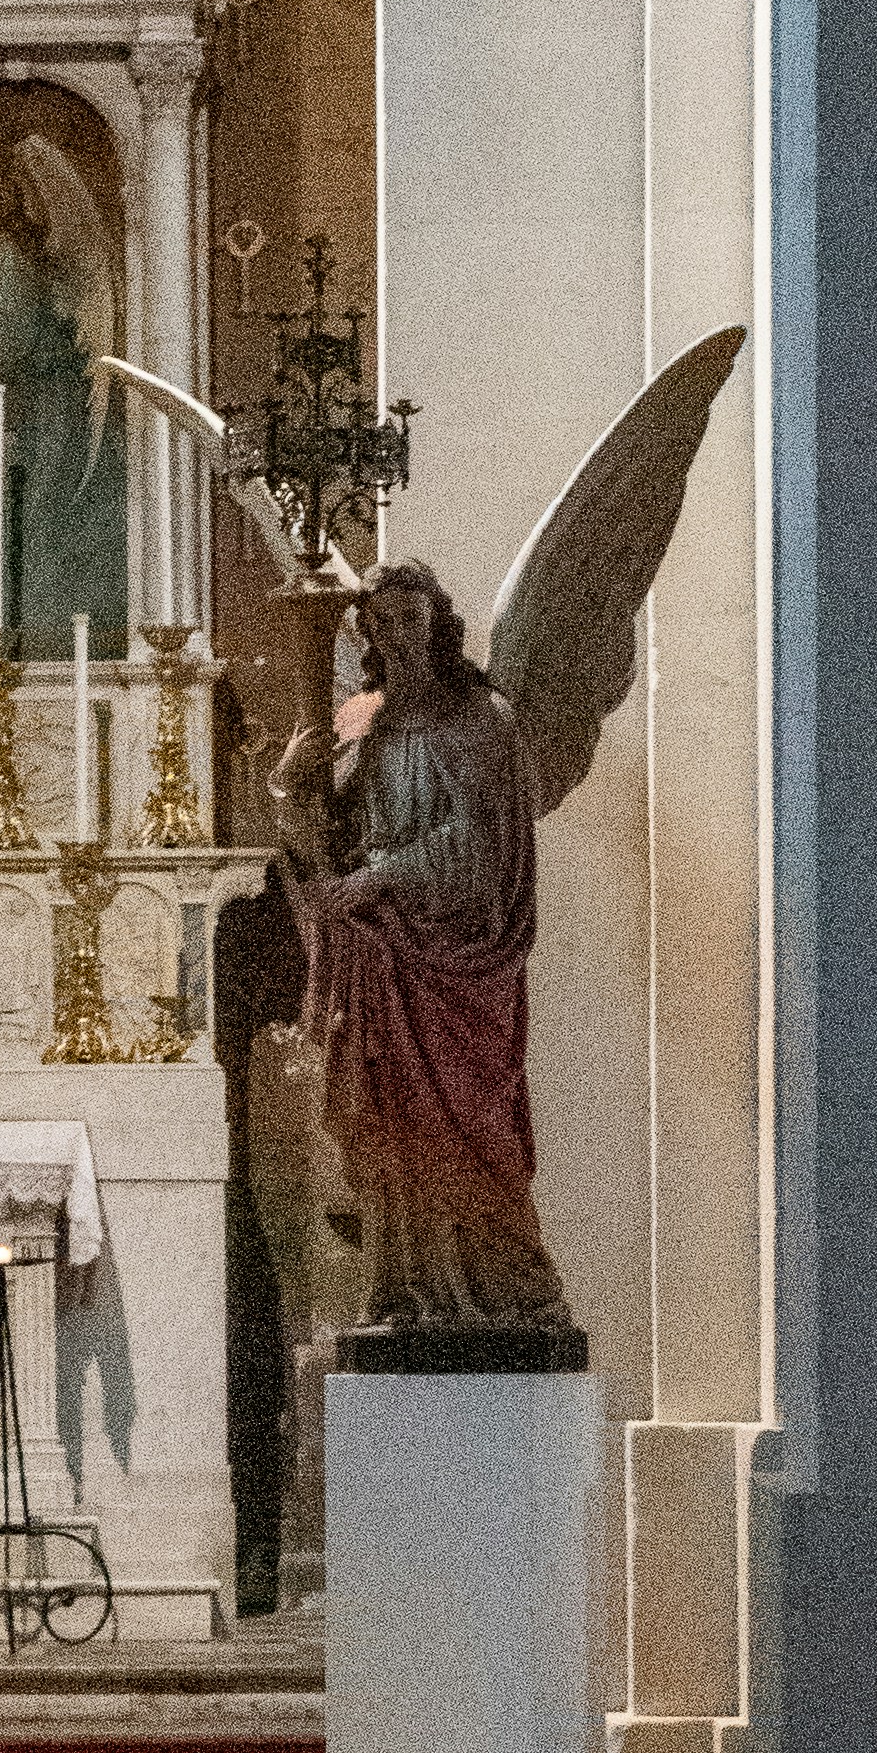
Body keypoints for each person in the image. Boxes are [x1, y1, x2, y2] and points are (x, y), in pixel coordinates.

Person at [273, 559, 574, 1337]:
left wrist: (382, 878)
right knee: (390, 1129)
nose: (395, 634)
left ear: (439, 623)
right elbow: (324, 843)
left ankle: (507, 1289)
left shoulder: (483, 720)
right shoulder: (364, 724)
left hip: (460, 961)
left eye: (410, 618)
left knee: (472, 1130)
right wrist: (290, 786)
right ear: (367, 633)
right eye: (380, 622)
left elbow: (484, 845)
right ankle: (406, 1287)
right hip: (383, 962)